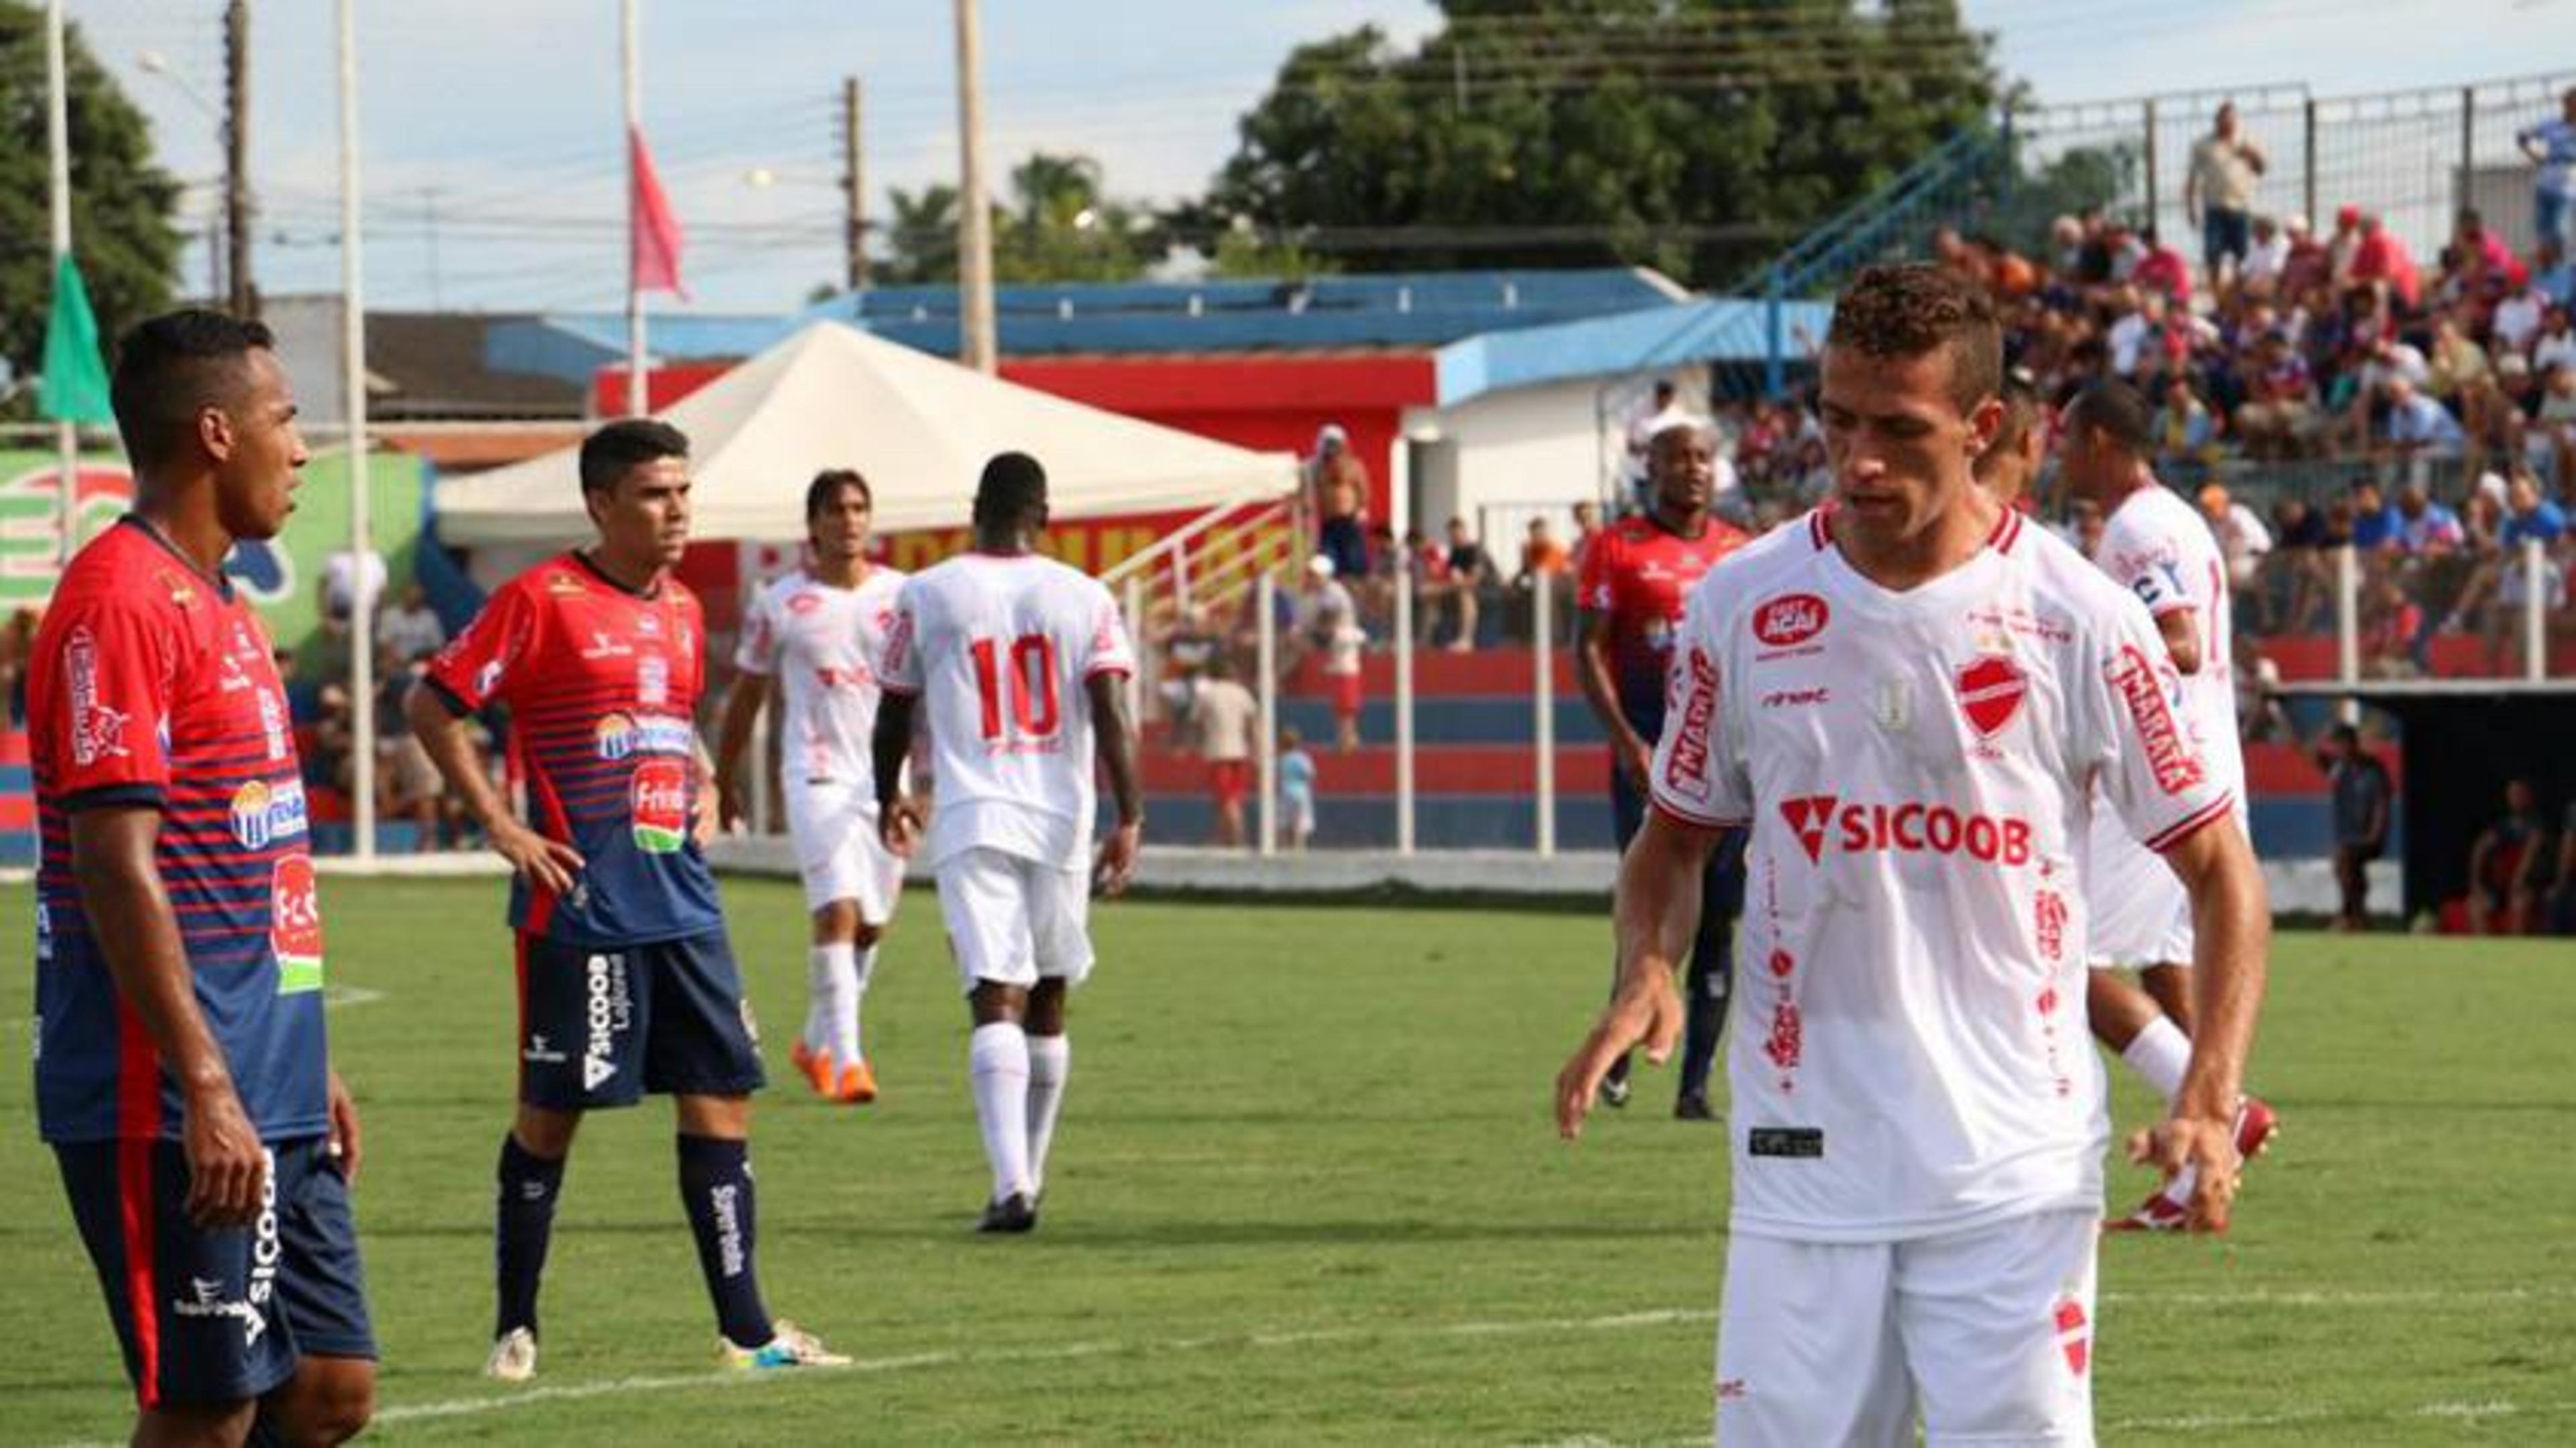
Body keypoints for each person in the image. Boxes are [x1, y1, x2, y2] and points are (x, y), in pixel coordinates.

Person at [1556, 264, 2270, 1447]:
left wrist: (2207, 1092)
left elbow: (2223, 869)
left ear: (1982, 429)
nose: (1860, 461)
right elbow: (1672, 839)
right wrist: (1647, 964)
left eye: (1900, 429)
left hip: (2013, 1170)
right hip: (1802, 1156)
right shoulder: (1742, 603)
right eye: (1840, 422)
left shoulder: (2081, 617)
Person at [407, 419, 845, 1382]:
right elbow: (432, 702)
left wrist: (707, 781)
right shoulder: (540, 600)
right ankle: (514, 1325)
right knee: (550, 1118)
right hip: (581, 907)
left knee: (724, 1102)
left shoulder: (685, 610)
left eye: (684, 490)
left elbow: (671, 719)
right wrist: (501, 825)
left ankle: (748, 1332)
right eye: (655, 492)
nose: (677, 508)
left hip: (684, 903)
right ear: (601, 503)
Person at [32, 309, 375, 1445]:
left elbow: (252, 855)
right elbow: (113, 863)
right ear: (219, 432)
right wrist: (209, 1082)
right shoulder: (119, 600)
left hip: (275, 1076)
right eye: (288, 420)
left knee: (328, 1384)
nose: (304, 447)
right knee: (206, 1403)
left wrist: (305, 1056)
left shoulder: (220, 602)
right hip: (171, 1096)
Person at [872, 451, 1143, 1234]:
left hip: (971, 810)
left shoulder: (926, 593)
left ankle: (1011, 1181)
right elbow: (1112, 713)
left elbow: (894, 708)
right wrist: (1132, 817)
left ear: (973, 510)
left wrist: (884, 793)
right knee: (1050, 993)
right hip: (1062, 815)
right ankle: (1028, 1174)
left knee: (995, 991)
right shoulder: (1086, 595)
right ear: (1045, 516)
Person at [2058, 378, 2281, 1231]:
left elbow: (2179, 641)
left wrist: (2088, 652)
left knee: (2063, 962)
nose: (2062, 456)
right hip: (2207, 766)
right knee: (2164, 968)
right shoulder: (2181, 518)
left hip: (2158, 775)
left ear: (2105, 443)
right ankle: (2194, 1177)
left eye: (2071, 440)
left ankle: (2235, 1108)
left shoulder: (2136, 527)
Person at [1573, 416, 1750, 1121]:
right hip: (1647, 762)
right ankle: (1618, 1052)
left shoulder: (1741, 551)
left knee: (1718, 920)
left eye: (1705, 456)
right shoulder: (1616, 546)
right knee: (1648, 910)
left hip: (1725, 766)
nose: (1694, 468)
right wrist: (1626, 743)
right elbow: (1586, 650)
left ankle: (1695, 1086)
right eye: (1679, 457)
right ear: (1652, 466)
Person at [713, 469, 909, 1105]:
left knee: (873, 926)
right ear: (813, 524)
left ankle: (812, 1040)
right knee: (837, 911)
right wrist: (726, 776)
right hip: (816, 774)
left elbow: (931, 694)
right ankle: (850, 1061)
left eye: (859, 508)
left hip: (887, 780)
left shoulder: (903, 597)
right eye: (836, 509)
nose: (850, 520)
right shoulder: (780, 603)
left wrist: (926, 777)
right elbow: (746, 694)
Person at [2318, 723, 2393, 931]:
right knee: (2347, 866)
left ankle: (2348, 913)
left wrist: (2376, 834)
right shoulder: (2339, 768)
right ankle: (2357, 916)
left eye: (2340, 743)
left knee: (2343, 858)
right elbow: (2305, 749)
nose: (2337, 749)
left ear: (2351, 743)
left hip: (2368, 838)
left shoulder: (2373, 770)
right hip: (2348, 839)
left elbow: (2382, 802)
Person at [1187, 653, 1258, 847]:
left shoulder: (1207, 694)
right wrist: (1256, 750)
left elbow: (1196, 722)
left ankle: (1237, 840)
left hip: (1218, 752)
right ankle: (1222, 838)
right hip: (1240, 752)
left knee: (1227, 800)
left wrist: (1192, 744)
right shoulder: (1241, 692)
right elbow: (1252, 724)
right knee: (1228, 800)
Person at [2466, 778, 2552, 935]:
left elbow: (2531, 853)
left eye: (2519, 794)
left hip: (2527, 886)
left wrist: (2517, 880)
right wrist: (2475, 883)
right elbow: (2480, 848)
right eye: (2512, 794)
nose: (2515, 798)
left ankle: (2515, 951)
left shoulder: (2537, 824)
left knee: (2519, 904)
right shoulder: (2503, 825)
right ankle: (2486, 953)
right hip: (2500, 888)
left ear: (2528, 796)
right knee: (2475, 905)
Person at [1299, 555, 1365, 752]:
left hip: (1344, 646)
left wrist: (1312, 635)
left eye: (1314, 575)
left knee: (1346, 692)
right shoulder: (1316, 595)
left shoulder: (1333, 592)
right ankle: (1345, 736)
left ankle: (1350, 736)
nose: (1311, 579)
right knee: (1339, 694)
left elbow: (1328, 619)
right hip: (1335, 648)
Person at [1305, 424, 1370, 581]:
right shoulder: (1317, 467)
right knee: (1327, 563)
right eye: (1329, 443)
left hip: (1349, 521)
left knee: (1354, 565)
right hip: (1329, 522)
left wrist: (1361, 508)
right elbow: (1307, 485)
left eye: (1335, 443)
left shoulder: (1353, 465)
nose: (1332, 447)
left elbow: (1363, 488)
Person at [2515, 87, 2576, 251]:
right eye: (2570, 102)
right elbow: (2522, 137)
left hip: (2568, 180)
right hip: (2545, 180)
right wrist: (2535, 157)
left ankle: (2560, 266)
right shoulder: (2552, 125)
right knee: (2542, 229)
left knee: (2559, 229)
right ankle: (2546, 267)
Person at [1277, 724, 1318, 851]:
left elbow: (1278, 774)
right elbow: (1310, 774)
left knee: (1284, 822)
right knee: (1300, 824)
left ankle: (1283, 847)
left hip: (1285, 793)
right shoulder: (1303, 758)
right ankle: (1299, 847)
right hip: (1301, 793)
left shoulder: (1281, 759)